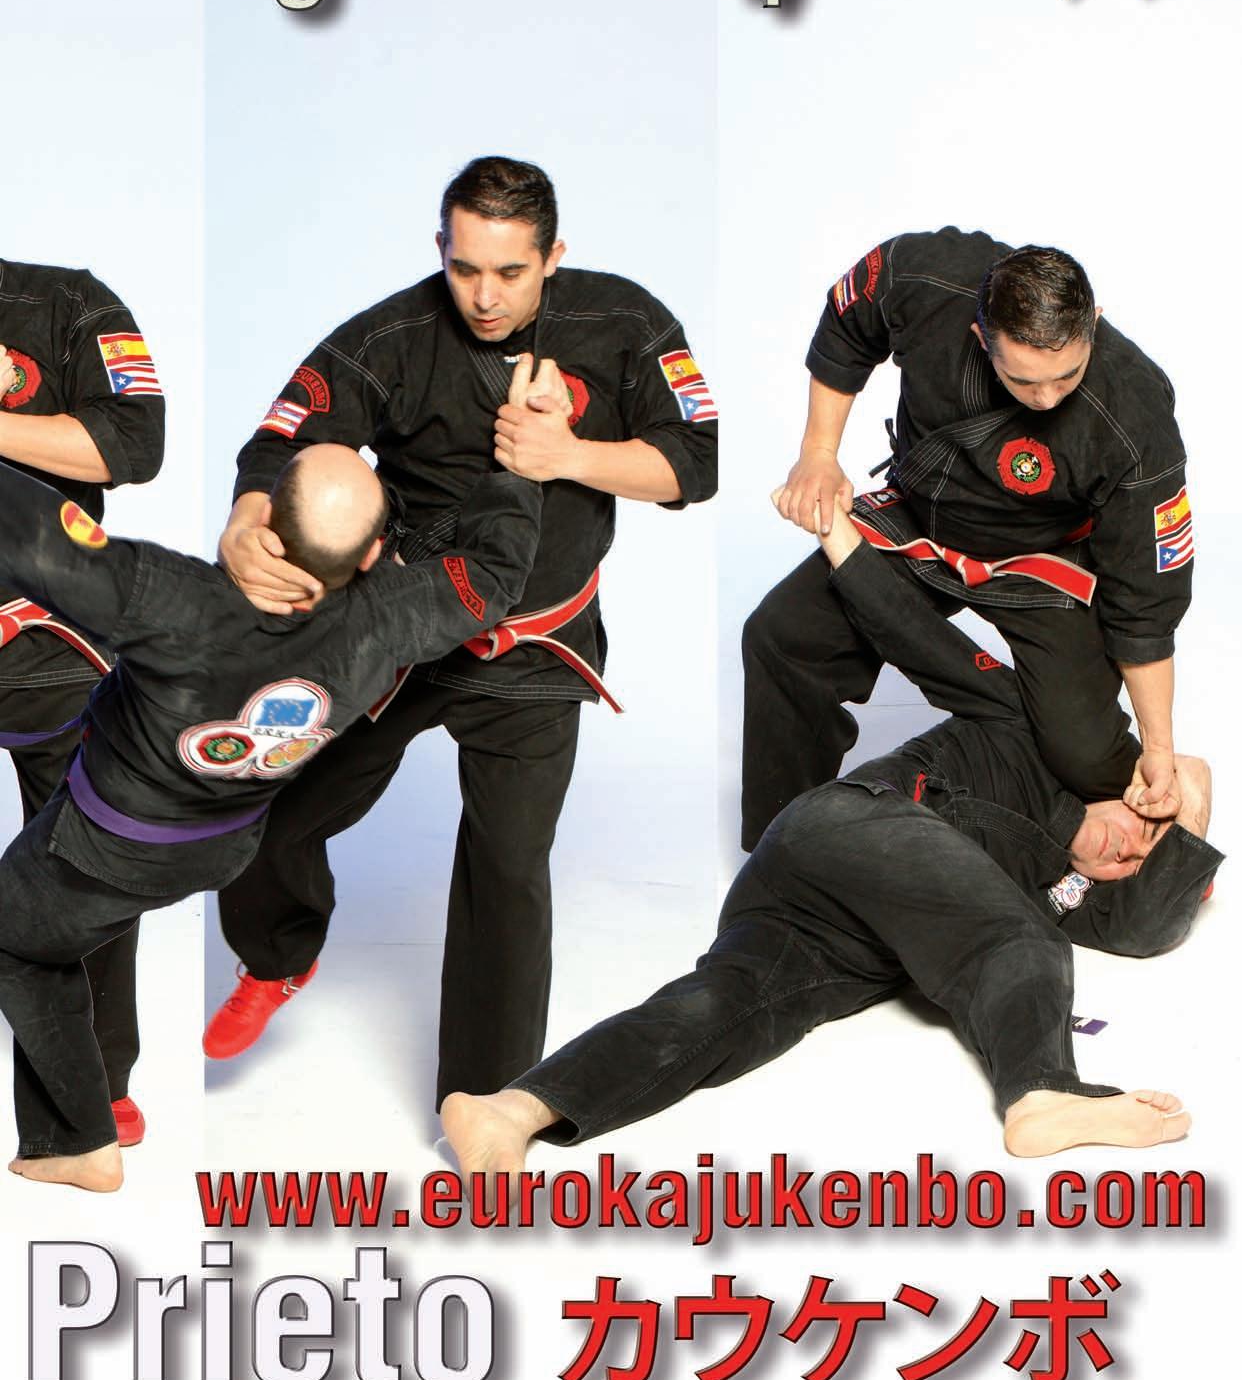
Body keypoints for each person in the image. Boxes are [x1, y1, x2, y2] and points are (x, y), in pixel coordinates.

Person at [442, 510, 1220, 1181]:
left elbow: (1147, 926)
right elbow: (917, 637)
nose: (1128, 847)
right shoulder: (1021, 731)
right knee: (1020, 941)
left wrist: (1185, 822)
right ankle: (1041, 1092)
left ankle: (514, 1108)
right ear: (1126, 784)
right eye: (1146, 824)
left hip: (832, 931)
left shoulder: (1061, 891)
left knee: (721, 1012)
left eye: (1136, 862)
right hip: (844, 824)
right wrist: (840, 535)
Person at [205, 155, 718, 1105]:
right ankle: (276, 956)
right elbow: (280, 439)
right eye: (464, 268)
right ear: (441, 248)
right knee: (269, 796)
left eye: (511, 272)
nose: (484, 296)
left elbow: (696, 462)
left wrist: (569, 454)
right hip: (408, 624)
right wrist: (244, 521)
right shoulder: (392, 336)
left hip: (536, 648)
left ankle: (484, 1104)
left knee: (506, 871)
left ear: (553, 256)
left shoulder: (625, 321)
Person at [0, 448, 542, 1191]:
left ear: (264, 519)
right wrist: (519, 471)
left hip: (110, 845)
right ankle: (86, 1118)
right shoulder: (388, 615)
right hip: (226, 847)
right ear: (374, 553)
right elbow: (492, 580)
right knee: (52, 929)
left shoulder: (175, 599)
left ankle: (82, 1141)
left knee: (18, 944)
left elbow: (33, 536)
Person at [742, 229, 1191, 850]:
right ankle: (788, 845)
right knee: (782, 634)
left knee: (1086, 758)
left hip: (1042, 559)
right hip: (920, 520)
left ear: (1094, 323)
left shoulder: (1136, 412)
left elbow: (1147, 598)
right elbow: (849, 323)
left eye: (1067, 375)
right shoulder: (927, 278)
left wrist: (1161, 746)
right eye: (1024, 380)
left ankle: (1164, 773)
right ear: (982, 339)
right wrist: (818, 452)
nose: (1046, 398)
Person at [0, 260, 164, 1146]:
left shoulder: (67, 304)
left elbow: (133, 446)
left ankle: (97, 1081)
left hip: (48, 638)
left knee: (86, 858)